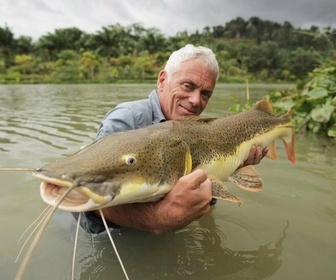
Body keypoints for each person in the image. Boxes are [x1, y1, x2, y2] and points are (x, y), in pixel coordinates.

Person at [79, 44, 267, 235]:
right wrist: (157, 219)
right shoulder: (126, 119)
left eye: (205, 94)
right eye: (188, 86)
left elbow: (207, 195)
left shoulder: (196, 126)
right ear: (162, 80)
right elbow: (88, 196)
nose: (195, 101)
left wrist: (236, 165)